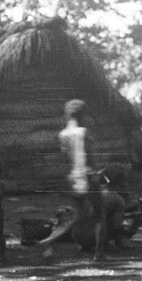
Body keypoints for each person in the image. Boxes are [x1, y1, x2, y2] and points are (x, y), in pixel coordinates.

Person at [39, 99, 108, 262]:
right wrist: (98, 174)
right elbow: (90, 157)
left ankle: (50, 241)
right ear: (82, 115)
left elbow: (65, 160)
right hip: (89, 177)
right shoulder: (84, 132)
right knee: (100, 216)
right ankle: (99, 253)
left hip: (72, 179)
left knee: (79, 216)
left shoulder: (63, 135)